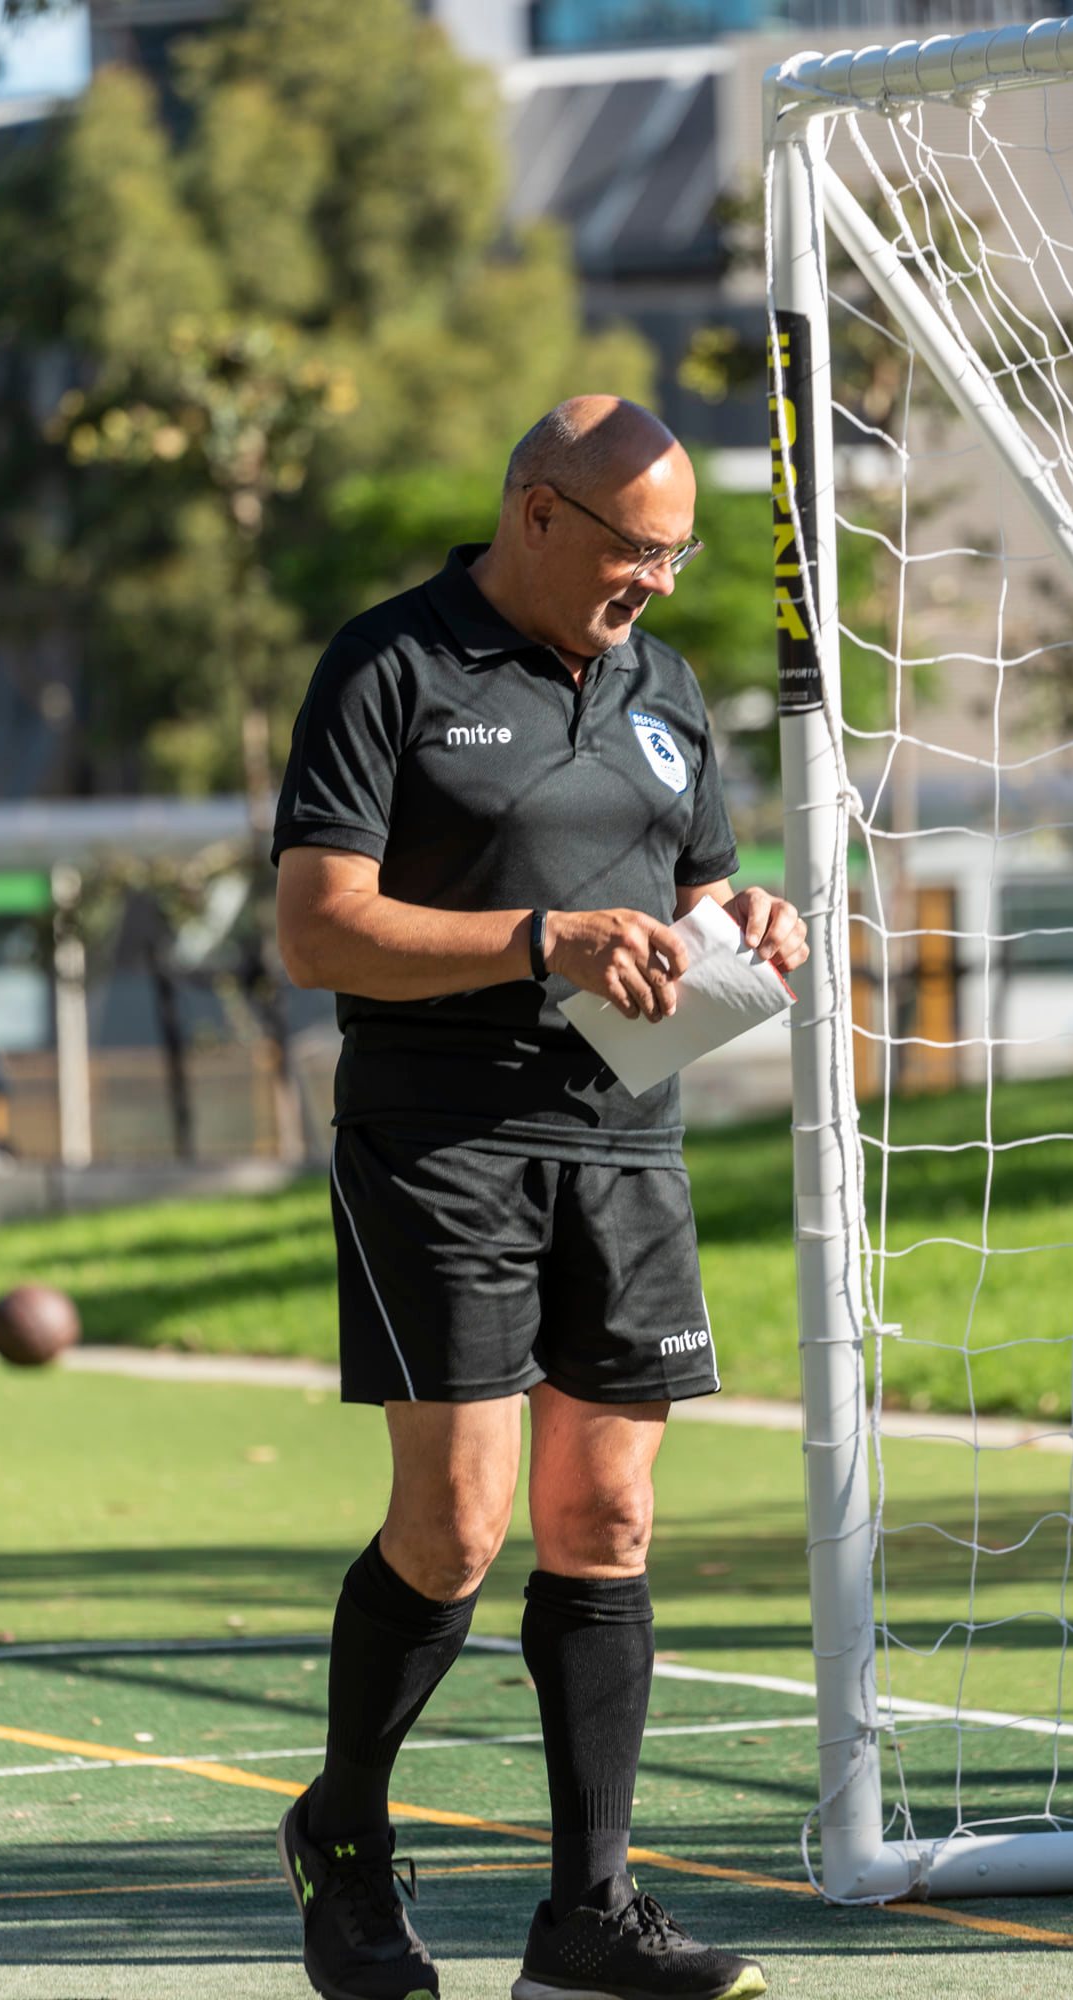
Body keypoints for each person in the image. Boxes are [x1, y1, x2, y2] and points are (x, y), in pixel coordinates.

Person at [270, 396, 808, 2000]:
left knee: (608, 1517)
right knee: (456, 1528)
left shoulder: (664, 686)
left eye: (677, 555)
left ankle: (589, 1921)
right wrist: (536, 940)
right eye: (639, 550)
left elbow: (691, 890)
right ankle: (344, 1841)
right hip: (438, 1141)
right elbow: (317, 929)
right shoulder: (390, 665)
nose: (658, 582)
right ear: (538, 511)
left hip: (626, 1137)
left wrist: (744, 921)